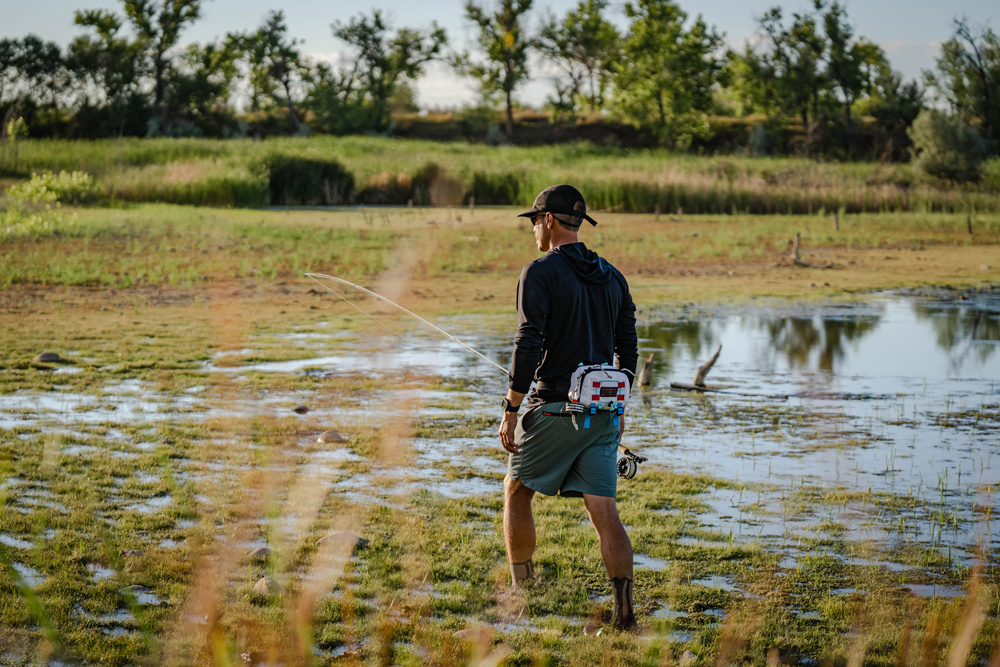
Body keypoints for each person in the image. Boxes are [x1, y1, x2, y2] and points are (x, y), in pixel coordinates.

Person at [497, 184, 640, 632]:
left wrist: (511, 408)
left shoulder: (539, 273)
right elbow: (629, 349)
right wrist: (619, 406)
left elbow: (528, 342)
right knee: (604, 510)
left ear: (549, 221)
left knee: (516, 489)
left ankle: (521, 592)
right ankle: (624, 615)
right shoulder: (613, 276)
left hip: (556, 409)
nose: (533, 230)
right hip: (603, 413)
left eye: (534, 222)